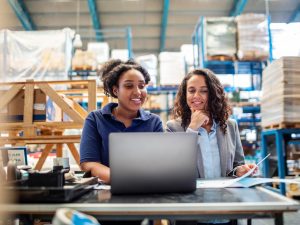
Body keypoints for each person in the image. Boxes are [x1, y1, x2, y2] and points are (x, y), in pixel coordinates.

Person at [80, 59, 163, 184]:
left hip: (146, 190)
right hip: (108, 192)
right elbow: (89, 164)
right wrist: (122, 180)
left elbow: (160, 164)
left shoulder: (154, 122)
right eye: (129, 86)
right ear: (115, 90)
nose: (138, 92)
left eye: (141, 86)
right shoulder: (95, 119)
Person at [166, 68, 256, 180]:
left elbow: (237, 164)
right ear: (185, 94)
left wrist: (239, 171)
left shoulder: (230, 126)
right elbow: (173, 168)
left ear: (213, 93)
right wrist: (192, 128)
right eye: (191, 91)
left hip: (224, 195)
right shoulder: (173, 128)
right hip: (191, 196)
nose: (196, 96)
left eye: (204, 91)